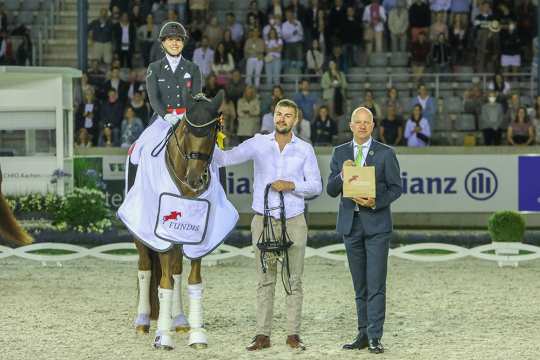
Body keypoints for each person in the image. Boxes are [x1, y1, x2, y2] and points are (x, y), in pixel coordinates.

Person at [213, 99, 322, 352]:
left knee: (293, 280)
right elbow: (225, 158)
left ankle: (293, 334)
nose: (282, 119)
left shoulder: (304, 149)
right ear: (273, 117)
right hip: (262, 220)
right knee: (264, 279)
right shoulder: (258, 143)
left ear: (296, 120)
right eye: (278, 114)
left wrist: (292, 185)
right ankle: (262, 334)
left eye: (287, 115)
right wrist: (214, 135)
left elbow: (316, 186)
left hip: (294, 219)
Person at [326, 107, 402, 354]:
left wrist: (376, 201)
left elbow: (396, 188)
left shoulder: (385, 153)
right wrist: (342, 173)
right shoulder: (340, 153)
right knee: (360, 284)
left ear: (372, 125)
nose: (361, 126)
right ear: (350, 125)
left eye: (366, 122)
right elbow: (331, 189)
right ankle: (361, 333)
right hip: (351, 225)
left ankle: (374, 336)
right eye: (357, 122)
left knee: (376, 283)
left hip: (377, 225)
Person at [145, 21, 202, 130]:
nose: (174, 43)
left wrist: (186, 115)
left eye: (178, 39)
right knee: (143, 145)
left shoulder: (193, 68)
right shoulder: (154, 68)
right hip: (161, 119)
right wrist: (166, 115)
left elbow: (196, 97)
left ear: (183, 43)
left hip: (187, 118)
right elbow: (154, 98)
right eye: (170, 39)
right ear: (163, 43)